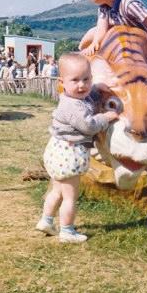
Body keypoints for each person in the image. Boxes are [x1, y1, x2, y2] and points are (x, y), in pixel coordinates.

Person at [36, 52, 118, 243]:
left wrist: (98, 88)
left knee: (57, 191)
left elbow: (89, 94)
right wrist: (106, 117)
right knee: (70, 197)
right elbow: (88, 125)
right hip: (69, 154)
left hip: (58, 150)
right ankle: (67, 231)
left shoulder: (76, 97)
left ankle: (46, 220)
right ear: (62, 81)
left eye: (87, 79)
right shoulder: (73, 106)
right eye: (75, 80)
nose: (82, 85)